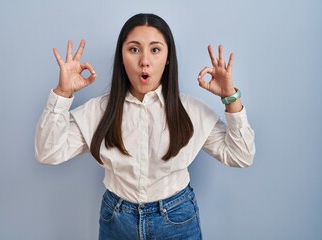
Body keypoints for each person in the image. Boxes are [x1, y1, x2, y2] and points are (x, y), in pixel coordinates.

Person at [35, 13, 255, 240]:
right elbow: (48, 153)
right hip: (117, 221)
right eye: (134, 49)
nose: (145, 61)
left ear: (168, 56)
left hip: (177, 220)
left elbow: (241, 156)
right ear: (121, 56)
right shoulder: (98, 111)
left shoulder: (191, 110)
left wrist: (230, 97)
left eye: (155, 49)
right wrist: (63, 93)